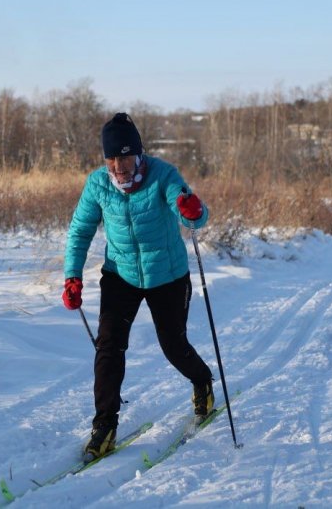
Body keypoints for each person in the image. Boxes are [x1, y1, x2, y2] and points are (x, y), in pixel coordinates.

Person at [62, 112, 215, 462]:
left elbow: (195, 215)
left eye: (125, 157)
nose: (119, 166)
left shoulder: (163, 175)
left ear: (139, 154)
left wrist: (192, 210)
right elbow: (80, 231)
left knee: (173, 344)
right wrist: (72, 276)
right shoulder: (98, 184)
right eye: (112, 158)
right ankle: (104, 427)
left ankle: (202, 380)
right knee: (109, 346)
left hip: (168, 274)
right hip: (121, 274)